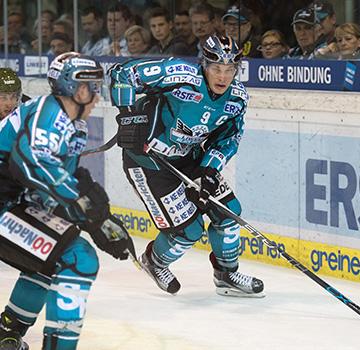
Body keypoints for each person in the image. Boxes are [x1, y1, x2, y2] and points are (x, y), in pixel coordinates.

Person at [109, 35, 264, 297]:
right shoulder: (179, 73)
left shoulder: (236, 99)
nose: (222, 76)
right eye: (216, 68)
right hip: (148, 161)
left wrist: (209, 170)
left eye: (230, 70)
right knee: (189, 231)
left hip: (189, 158)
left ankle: (226, 274)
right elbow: (122, 73)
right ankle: (155, 262)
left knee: (228, 213)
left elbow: (228, 138)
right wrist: (127, 116)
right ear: (204, 64)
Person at [0, 52, 134, 349]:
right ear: (75, 89)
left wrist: (103, 220)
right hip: (5, 203)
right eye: (92, 88)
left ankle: (7, 329)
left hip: (10, 202)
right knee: (78, 258)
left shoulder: (72, 122)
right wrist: (88, 211)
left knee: (53, 257)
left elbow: (61, 181)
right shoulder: (49, 114)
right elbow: (30, 163)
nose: (97, 96)